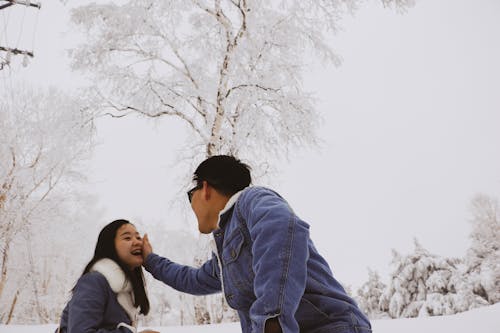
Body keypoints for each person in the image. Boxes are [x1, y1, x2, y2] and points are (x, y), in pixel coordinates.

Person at [142, 155, 372, 333]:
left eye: (189, 195)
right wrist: (150, 260)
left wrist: (271, 321)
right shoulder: (226, 254)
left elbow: (283, 226)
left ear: (205, 189)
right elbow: (192, 280)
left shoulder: (252, 200)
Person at [56, 219, 158, 333]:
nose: (137, 242)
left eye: (138, 237)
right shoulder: (94, 282)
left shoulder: (125, 289)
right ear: (110, 246)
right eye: (127, 238)